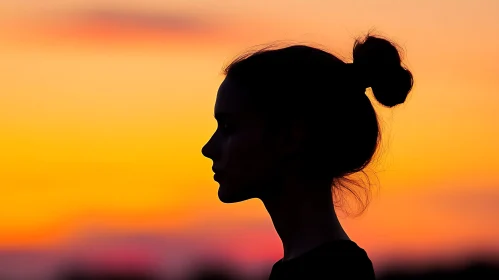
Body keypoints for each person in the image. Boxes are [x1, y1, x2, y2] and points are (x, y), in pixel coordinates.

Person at [201, 34, 413, 279]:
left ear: (291, 136)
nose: (208, 148)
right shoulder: (320, 266)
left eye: (228, 128)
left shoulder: (334, 273)